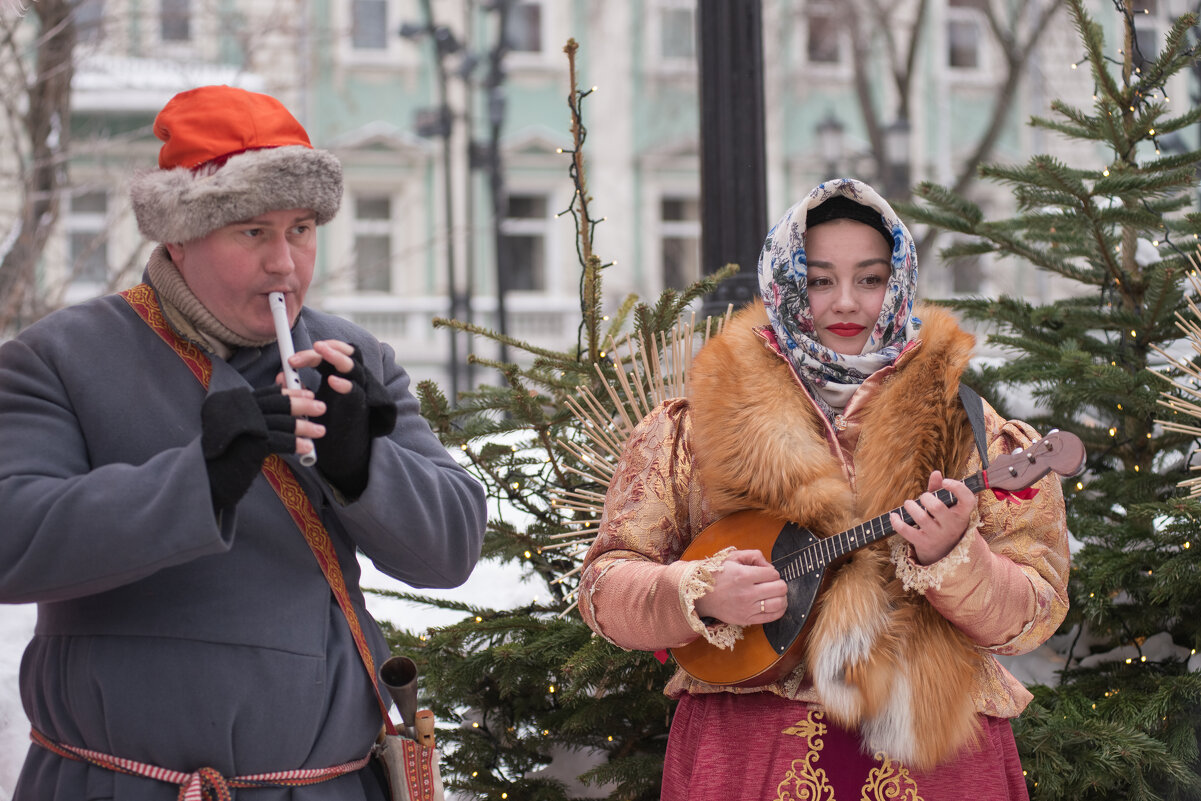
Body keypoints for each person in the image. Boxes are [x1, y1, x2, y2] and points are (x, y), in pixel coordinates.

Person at [0, 85, 487, 800]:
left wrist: (363, 467)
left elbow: (451, 550)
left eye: (301, 229)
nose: (284, 264)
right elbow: (13, 543)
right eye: (252, 232)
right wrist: (199, 478)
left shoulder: (351, 356)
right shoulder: (57, 359)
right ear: (177, 234)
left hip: (332, 785)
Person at [578, 178, 1070, 800]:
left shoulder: (978, 434)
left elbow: (1036, 613)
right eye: (818, 280)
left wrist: (955, 561)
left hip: (936, 758)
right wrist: (694, 593)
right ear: (785, 282)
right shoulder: (688, 431)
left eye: (870, 279)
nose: (845, 303)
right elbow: (603, 586)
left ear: (898, 284)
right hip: (747, 761)